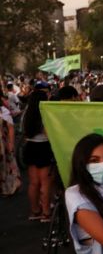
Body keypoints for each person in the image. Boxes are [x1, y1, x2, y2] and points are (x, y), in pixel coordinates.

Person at [22, 90, 54, 221]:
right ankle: (46, 212)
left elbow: (24, 132)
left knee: (33, 183)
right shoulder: (44, 114)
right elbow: (48, 134)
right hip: (43, 147)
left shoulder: (26, 114)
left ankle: (35, 211)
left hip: (30, 147)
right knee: (45, 182)